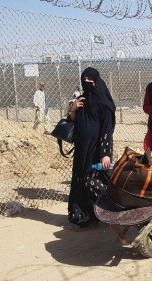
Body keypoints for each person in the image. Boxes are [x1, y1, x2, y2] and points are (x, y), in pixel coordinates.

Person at [67, 67, 116, 227]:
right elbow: (73, 121)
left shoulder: (104, 103)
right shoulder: (82, 99)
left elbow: (107, 130)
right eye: (84, 80)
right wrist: (73, 109)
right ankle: (82, 214)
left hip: (97, 151)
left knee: (94, 180)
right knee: (80, 179)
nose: (87, 82)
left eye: (90, 80)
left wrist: (105, 153)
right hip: (82, 150)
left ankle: (109, 211)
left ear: (97, 80)